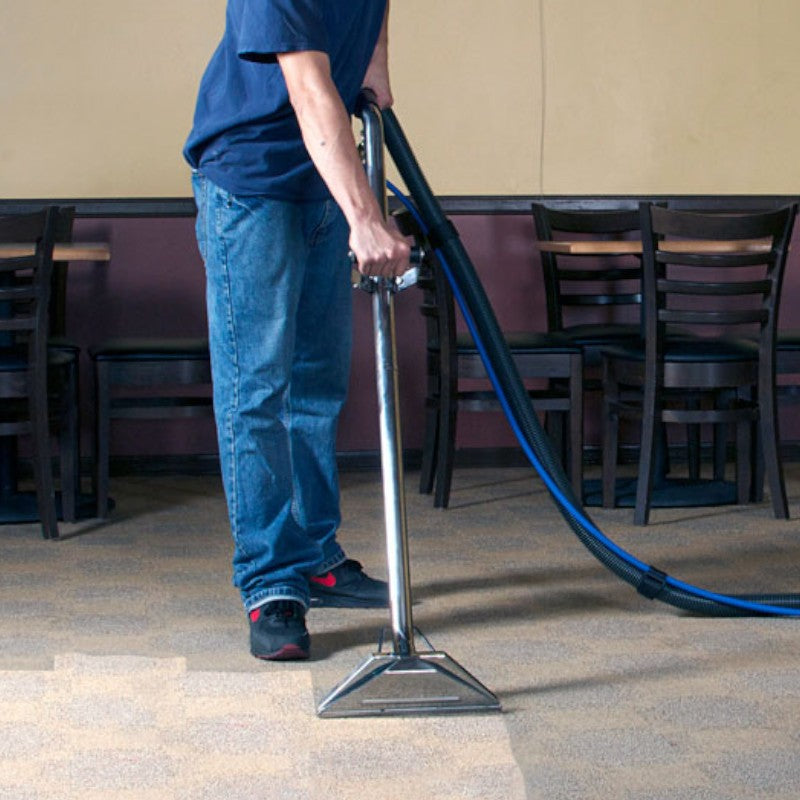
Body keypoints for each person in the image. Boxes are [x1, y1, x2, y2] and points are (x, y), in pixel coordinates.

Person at [184, 0, 410, 661]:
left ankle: (314, 555)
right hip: (251, 185)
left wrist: (374, 63)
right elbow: (309, 88)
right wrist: (367, 217)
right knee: (257, 391)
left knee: (318, 382)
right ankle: (271, 582)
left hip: (322, 182)